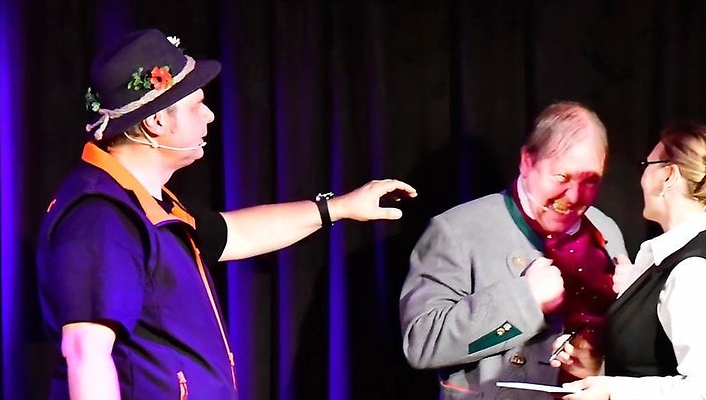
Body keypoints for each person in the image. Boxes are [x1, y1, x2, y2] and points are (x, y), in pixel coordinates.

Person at [36, 29, 417, 400]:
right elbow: (87, 352)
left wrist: (340, 207)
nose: (210, 116)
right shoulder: (102, 217)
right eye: (196, 105)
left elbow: (234, 233)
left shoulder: (148, 203)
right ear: (156, 122)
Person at [400, 101, 628, 399]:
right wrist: (526, 300)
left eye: (590, 180)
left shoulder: (605, 232)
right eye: (562, 177)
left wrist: (598, 361)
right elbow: (421, 343)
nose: (574, 196)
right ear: (527, 162)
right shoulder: (457, 231)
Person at [554, 123, 706, 400]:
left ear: (667, 176)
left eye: (647, 165)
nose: (642, 177)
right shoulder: (664, 260)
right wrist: (595, 369)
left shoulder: (694, 272)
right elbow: (648, 366)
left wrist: (613, 390)